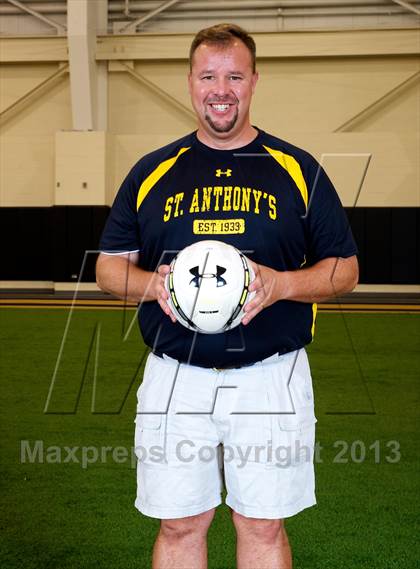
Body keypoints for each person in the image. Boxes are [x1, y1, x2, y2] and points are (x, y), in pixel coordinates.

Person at [96, 23, 358, 569]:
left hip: (271, 373)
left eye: (234, 75)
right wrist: (155, 286)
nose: (222, 89)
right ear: (190, 82)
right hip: (176, 373)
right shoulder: (152, 172)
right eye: (209, 76)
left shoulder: (297, 169)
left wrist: (282, 284)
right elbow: (107, 268)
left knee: (261, 525)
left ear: (254, 81)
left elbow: (345, 269)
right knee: (179, 522)